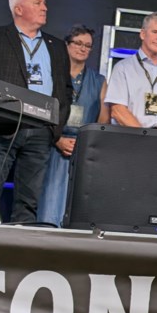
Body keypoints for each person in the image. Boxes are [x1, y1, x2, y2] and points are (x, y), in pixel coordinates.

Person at [0, 0, 72, 223]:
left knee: (29, 200)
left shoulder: (56, 46)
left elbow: (65, 89)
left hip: (40, 131)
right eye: (38, 3)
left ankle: (22, 251)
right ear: (18, 9)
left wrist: (55, 129)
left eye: (44, 3)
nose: (45, 7)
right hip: (0, 129)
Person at [37, 25, 110, 226]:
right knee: (49, 202)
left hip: (84, 149)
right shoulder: (51, 75)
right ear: (67, 44)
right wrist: (57, 138)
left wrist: (87, 144)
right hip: (52, 144)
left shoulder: (99, 81)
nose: (83, 48)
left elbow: (104, 119)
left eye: (88, 45)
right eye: (78, 43)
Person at [104, 12, 157, 130]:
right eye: (155, 32)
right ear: (142, 34)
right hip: (130, 141)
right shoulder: (123, 68)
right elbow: (118, 110)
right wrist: (145, 139)